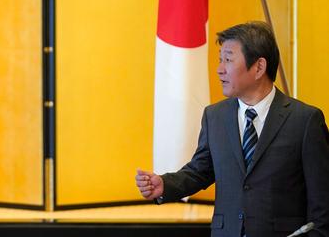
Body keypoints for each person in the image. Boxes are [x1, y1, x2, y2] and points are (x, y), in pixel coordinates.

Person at [136, 21, 329, 237]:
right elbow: (200, 170)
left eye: (228, 59)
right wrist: (165, 185)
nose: (220, 69)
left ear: (259, 67)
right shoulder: (214, 116)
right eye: (220, 60)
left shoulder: (305, 120)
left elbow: (323, 203)